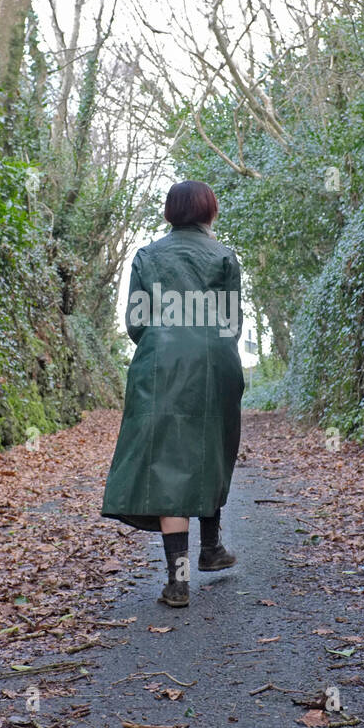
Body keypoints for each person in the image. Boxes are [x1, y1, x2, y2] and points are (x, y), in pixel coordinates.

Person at [101, 180, 245, 608]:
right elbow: (231, 323)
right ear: (209, 212)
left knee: (167, 461)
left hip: (160, 362)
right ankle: (211, 547)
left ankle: (178, 581)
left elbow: (135, 323)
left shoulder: (147, 256)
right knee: (210, 448)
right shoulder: (223, 257)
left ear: (169, 212)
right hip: (214, 361)